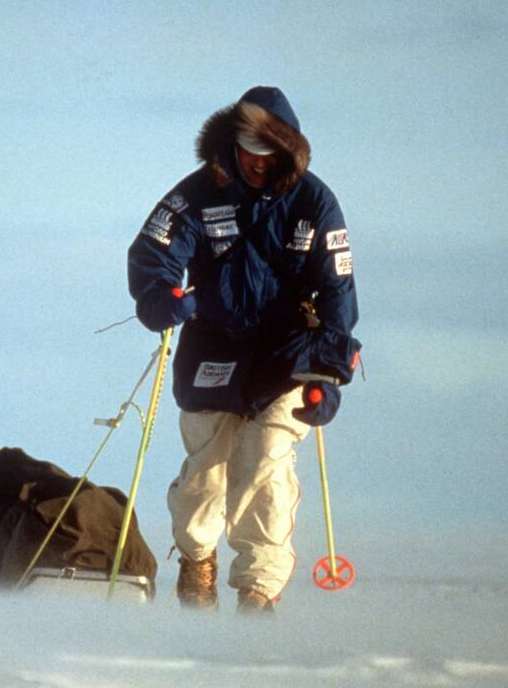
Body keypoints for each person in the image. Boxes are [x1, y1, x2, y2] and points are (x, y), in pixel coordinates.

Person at [127, 86, 360, 613]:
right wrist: (161, 300)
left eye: (268, 153)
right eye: (249, 151)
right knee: (205, 474)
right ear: (231, 146)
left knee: (265, 467)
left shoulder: (316, 202)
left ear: (287, 152)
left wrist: (328, 375)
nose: (257, 163)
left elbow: (338, 289)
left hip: (287, 357)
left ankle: (258, 591)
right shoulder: (196, 194)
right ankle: (197, 562)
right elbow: (153, 252)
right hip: (212, 349)